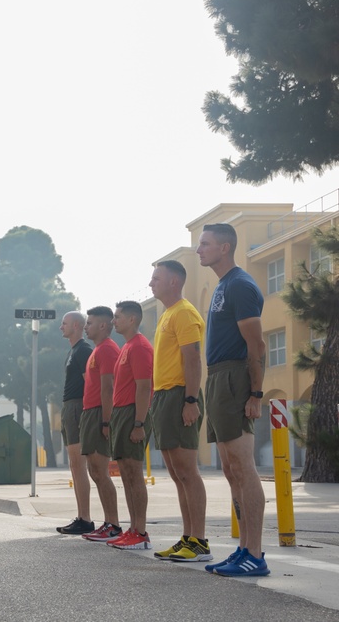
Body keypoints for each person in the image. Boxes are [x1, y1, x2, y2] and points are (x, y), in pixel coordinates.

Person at [196, 223, 269, 577]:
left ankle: (254, 553)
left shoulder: (240, 284)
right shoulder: (223, 285)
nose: (199, 250)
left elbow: (257, 345)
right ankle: (243, 549)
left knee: (243, 466)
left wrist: (256, 393)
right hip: (218, 377)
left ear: (225, 248)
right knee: (229, 469)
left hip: (235, 377)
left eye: (205, 244)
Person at [148, 260, 211, 562]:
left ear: (174, 281)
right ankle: (187, 537)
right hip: (163, 396)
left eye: (156, 278)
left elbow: (193, 359)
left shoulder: (184, 312)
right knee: (176, 473)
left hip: (179, 395)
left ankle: (199, 541)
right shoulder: (167, 315)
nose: (151, 283)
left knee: (187, 470)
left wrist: (190, 400)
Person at [104, 301, 154, 550]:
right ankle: (132, 529)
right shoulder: (127, 347)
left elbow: (145, 386)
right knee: (125, 473)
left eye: (118, 317)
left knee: (134, 474)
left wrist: (139, 423)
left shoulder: (140, 347)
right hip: (121, 413)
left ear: (132, 319)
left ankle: (141, 531)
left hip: (133, 413)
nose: (114, 321)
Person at [78, 306, 123, 543]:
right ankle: (108, 522)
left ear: (103, 326)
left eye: (90, 322)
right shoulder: (97, 350)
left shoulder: (107, 350)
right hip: (90, 413)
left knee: (100, 471)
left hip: (99, 414)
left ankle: (113, 524)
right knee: (94, 471)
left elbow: (109, 388)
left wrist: (107, 421)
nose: (86, 326)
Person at [57, 311, 95, 535]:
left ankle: (86, 518)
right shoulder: (73, 351)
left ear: (77, 326)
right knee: (75, 465)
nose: (61, 327)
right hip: (70, 406)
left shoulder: (84, 351)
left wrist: (88, 414)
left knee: (80, 465)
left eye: (65, 323)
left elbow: (90, 383)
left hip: (79, 408)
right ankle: (82, 516)